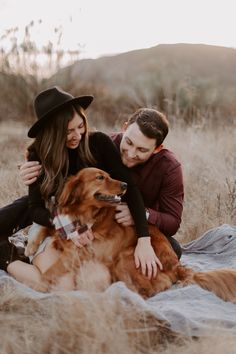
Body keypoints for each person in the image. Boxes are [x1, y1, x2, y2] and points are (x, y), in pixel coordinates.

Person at [4, 86, 162, 289]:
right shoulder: (38, 154)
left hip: (92, 228)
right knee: (61, 286)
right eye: (68, 131)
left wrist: (144, 239)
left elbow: (130, 187)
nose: (77, 135)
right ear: (52, 131)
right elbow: (35, 208)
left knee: (87, 285)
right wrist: (66, 225)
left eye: (80, 126)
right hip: (53, 224)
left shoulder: (99, 143)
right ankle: (7, 256)